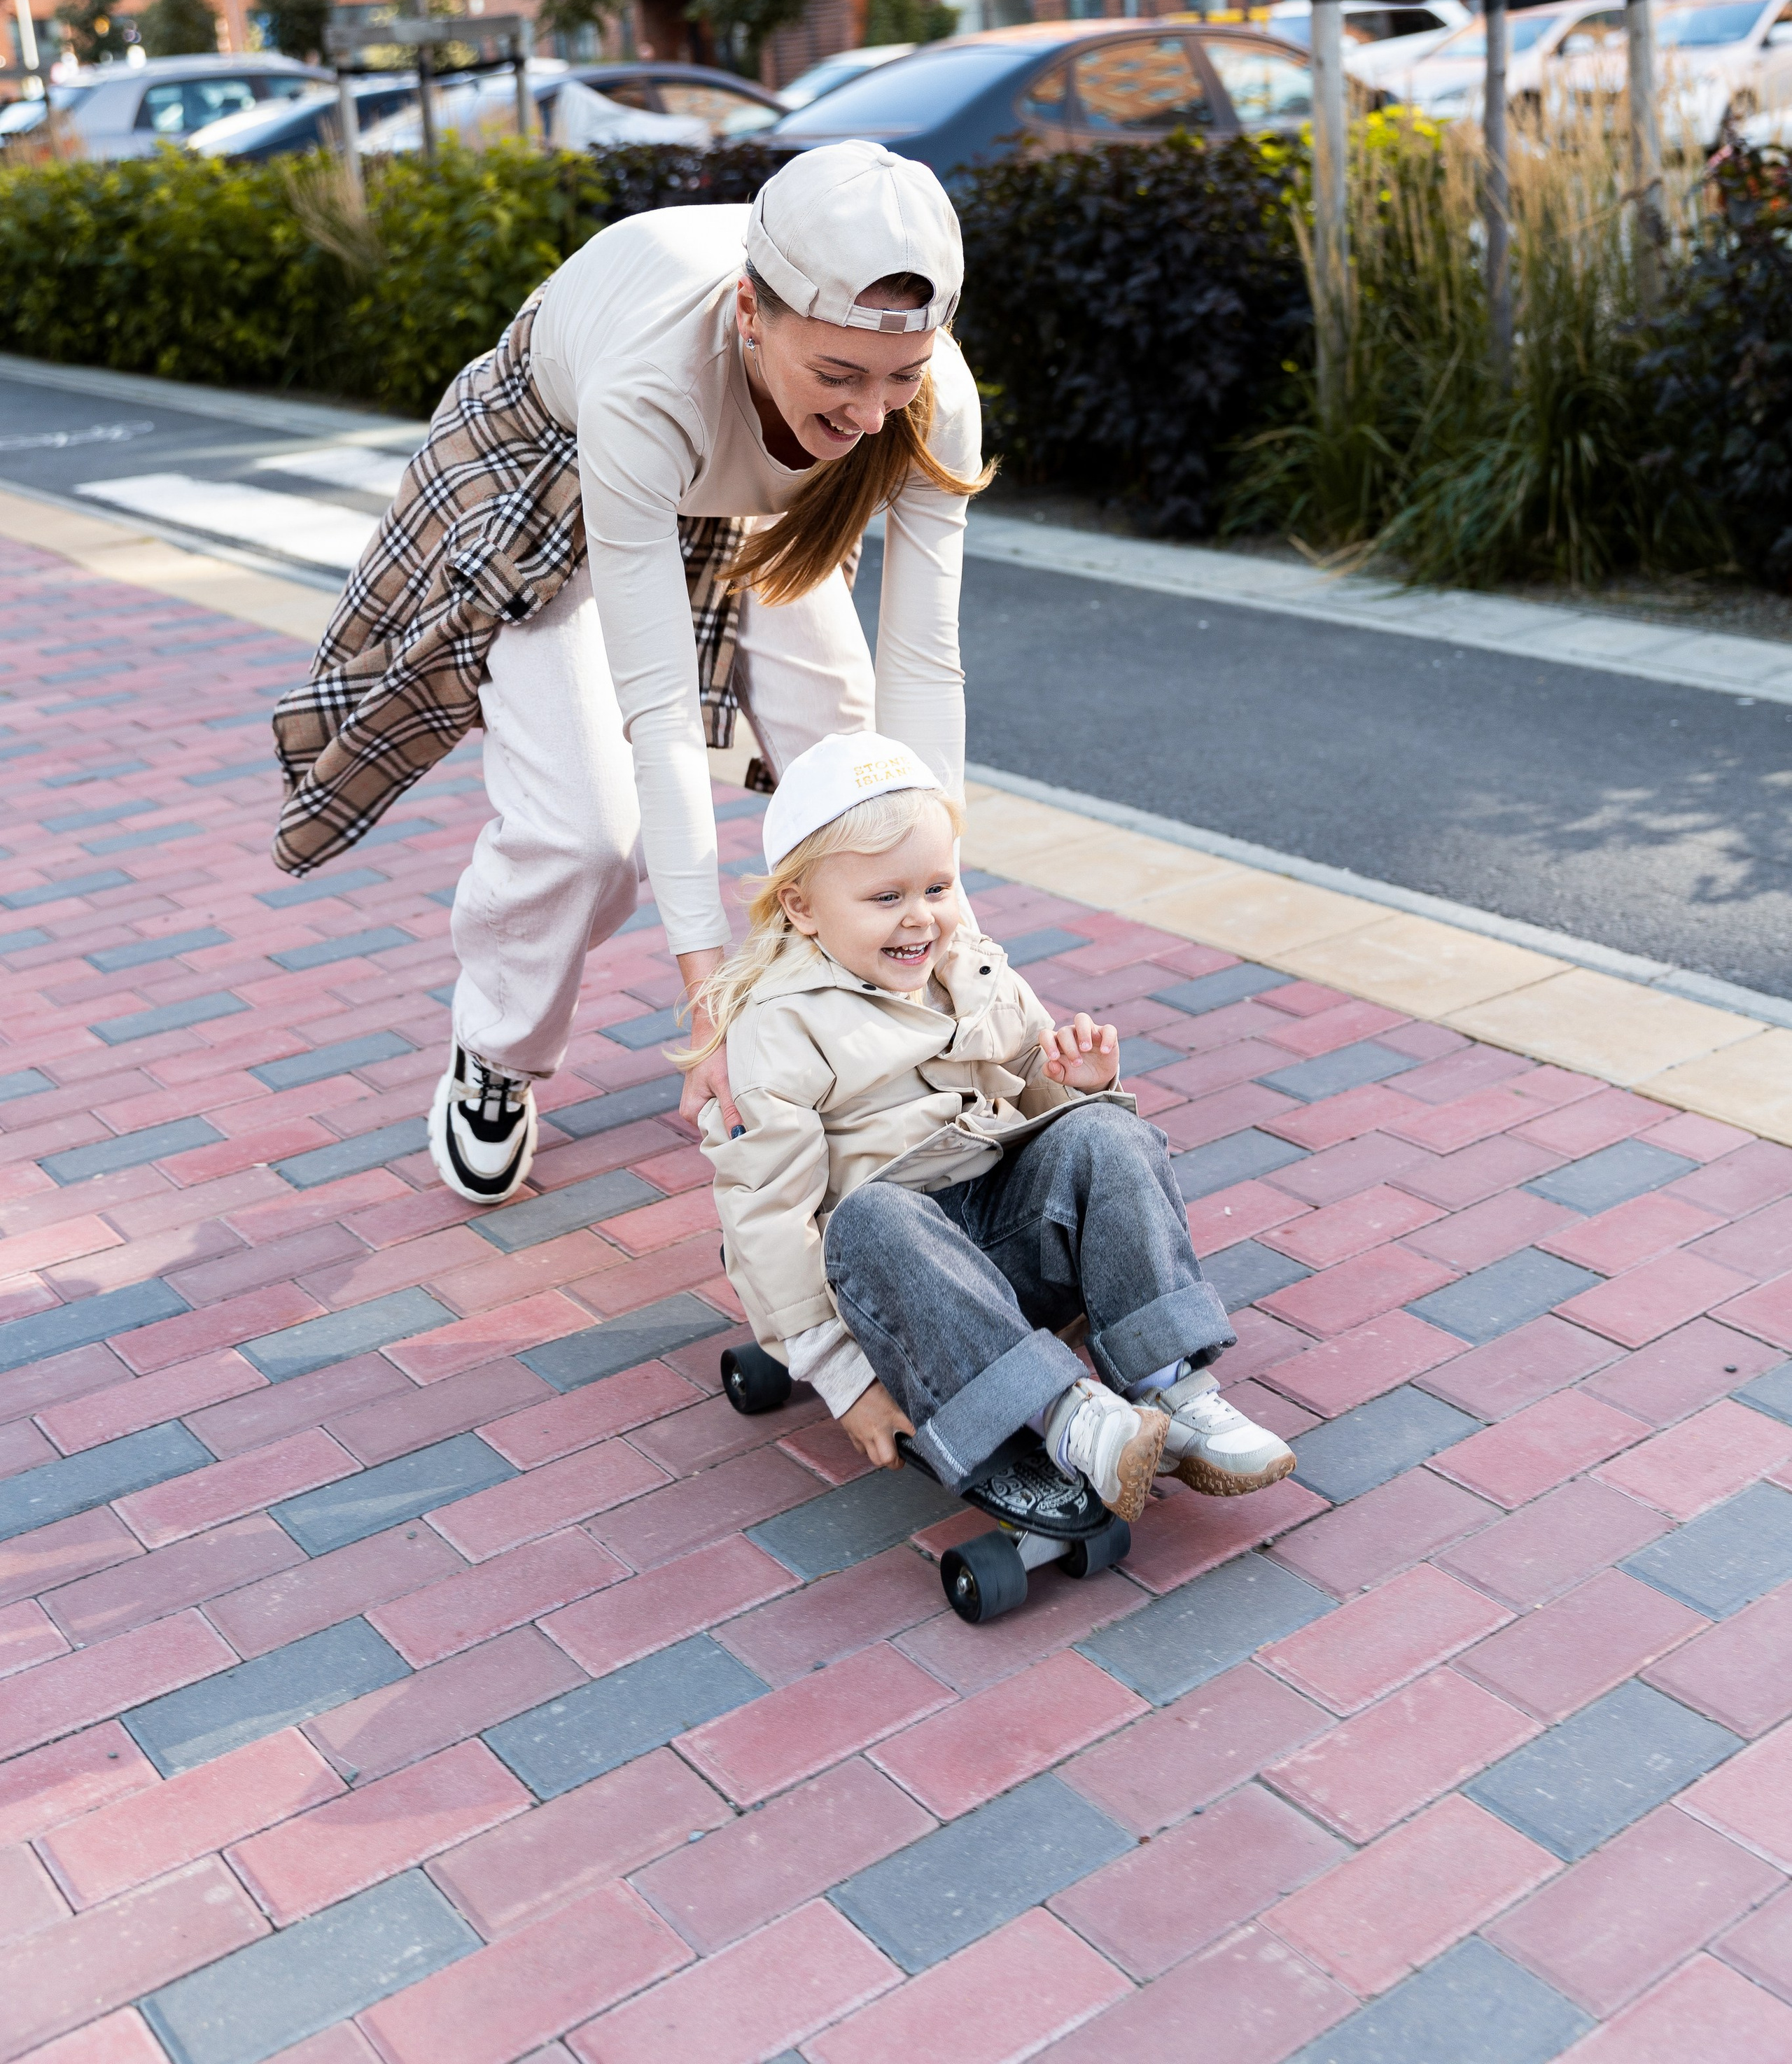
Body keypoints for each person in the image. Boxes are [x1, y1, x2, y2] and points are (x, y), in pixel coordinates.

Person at [270, 142, 988, 1205]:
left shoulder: (919, 399)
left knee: (851, 769)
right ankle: (498, 1052)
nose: (872, 414)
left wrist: (954, 938)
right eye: (840, 374)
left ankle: (826, 1042)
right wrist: (701, 1002)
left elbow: (922, 671)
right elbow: (658, 718)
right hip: (555, 455)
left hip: (736, 469)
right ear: (753, 312)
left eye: (900, 375)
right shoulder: (654, 375)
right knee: (584, 830)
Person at [694, 731, 1297, 1517]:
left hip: (1003, 1251)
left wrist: (1074, 1084)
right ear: (802, 908)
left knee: (1107, 1132)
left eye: (937, 889)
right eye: (886, 899)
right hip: (903, 1292)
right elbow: (767, 1219)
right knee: (874, 1214)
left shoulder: (972, 972)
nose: (921, 920)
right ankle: (1064, 1418)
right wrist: (847, 1385)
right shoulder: (778, 1027)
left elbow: (1040, 1114)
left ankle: (1166, 1386)